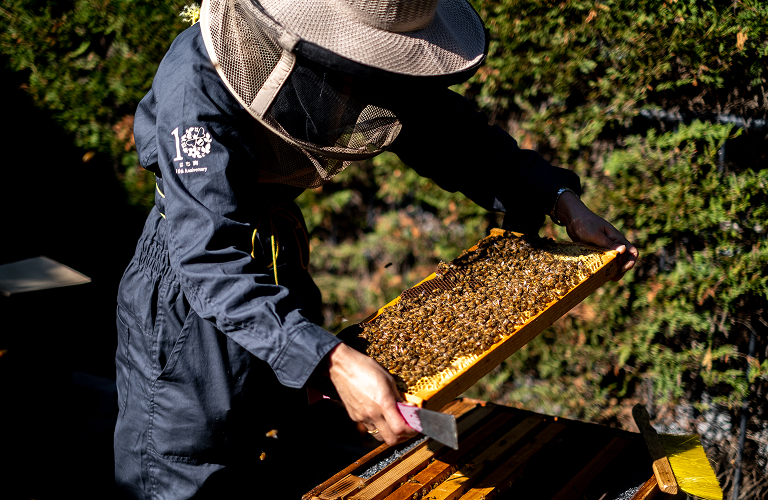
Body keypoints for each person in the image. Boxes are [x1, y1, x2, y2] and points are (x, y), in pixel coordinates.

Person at [115, 0, 638, 498]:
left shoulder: (360, 60)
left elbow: (447, 129)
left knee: (292, 451)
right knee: (186, 469)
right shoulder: (195, 86)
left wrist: (557, 197)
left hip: (278, 262)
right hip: (190, 294)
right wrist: (332, 361)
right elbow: (208, 257)